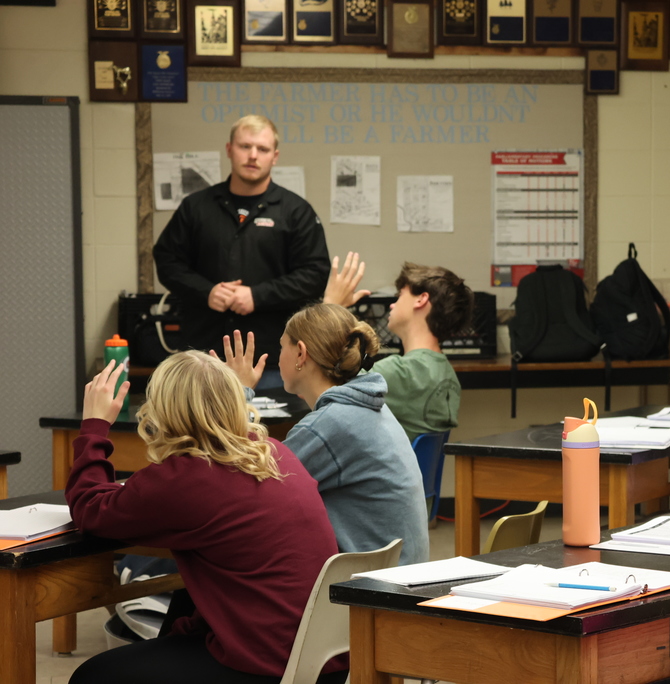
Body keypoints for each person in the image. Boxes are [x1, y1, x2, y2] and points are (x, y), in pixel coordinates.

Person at [65, 353, 343, 684]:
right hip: (324, 659)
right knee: (183, 606)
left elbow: (90, 511)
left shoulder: (185, 478)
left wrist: (94, 426)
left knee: (91, 677)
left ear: (163, 411)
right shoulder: (274, 450)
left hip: (265, 665)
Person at [219, 305, 430, 566]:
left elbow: (248, 488)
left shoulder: (332, 424)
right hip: (401, 577)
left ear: (300, 353)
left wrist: (238, 393)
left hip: (374, 590)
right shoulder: (368, 406)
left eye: (282, 345)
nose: (278, 354)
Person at [153, 115, 330, 389]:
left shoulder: (295, 212)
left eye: (262, 149)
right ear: (229, 150)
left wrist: (257, 296)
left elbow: (315, 275)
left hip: (272, 361)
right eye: (245, 146)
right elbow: (166, 261)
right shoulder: (196, 207)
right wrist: (206, 291)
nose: (253, 155)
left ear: (275, 156)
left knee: (267, 433)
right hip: (203, 360)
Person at [323, 255, 474, 442]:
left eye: (400, 295)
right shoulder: (446, 372)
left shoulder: (399, 373)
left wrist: (330, 306)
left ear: (421, 300)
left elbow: (321, 382)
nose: (392, 304)